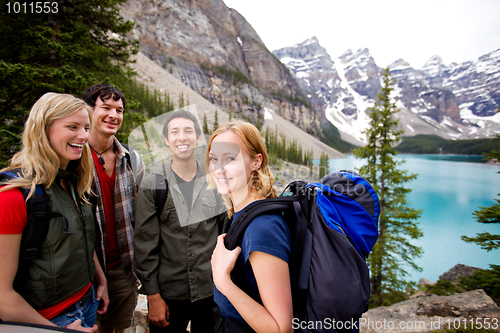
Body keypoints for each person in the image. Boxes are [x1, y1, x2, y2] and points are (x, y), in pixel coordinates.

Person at [0, 92, 108, 332]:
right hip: (48, 319)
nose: (84, 136)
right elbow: (2, 296)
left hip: (87, 300)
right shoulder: (13, 196)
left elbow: (80, 235)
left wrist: (100, 279)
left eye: (86, 127)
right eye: (73, 127)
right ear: (42, 129)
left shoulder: (73, 182)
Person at [134, 110, 227, 333]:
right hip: (168, 295)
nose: (181, 137)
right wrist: (153, 296)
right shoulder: (153, 184)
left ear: (197, 138)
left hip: (210, 293)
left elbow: (225, 236)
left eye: (188, 131)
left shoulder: (216, 182)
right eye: (174, 132)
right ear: (166, 140)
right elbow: (144, 244)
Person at [206, 121, 293, 333]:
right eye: (213, 159)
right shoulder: (240, 212)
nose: (218, 169)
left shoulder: (263, 227)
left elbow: (281, 329)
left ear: (256, 161)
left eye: (230, 159)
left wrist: (222, 281)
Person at [82, 83, 145, 333]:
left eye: (119, 110)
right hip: (84, 273)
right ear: (89, 111)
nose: (113, 115)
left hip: (124, 271)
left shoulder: (132, 159)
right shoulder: (74, 157)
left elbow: (141, 215)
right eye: (106, 107)